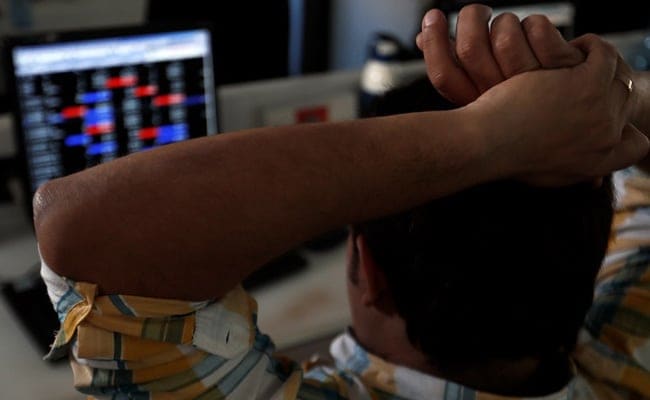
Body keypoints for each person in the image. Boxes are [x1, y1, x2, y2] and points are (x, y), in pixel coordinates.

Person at [34, 4, 649, 399]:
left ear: (370, 273)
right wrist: (594, 104)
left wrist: (491, 137)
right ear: (594, 253)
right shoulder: (623, 356)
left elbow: (82, 224)